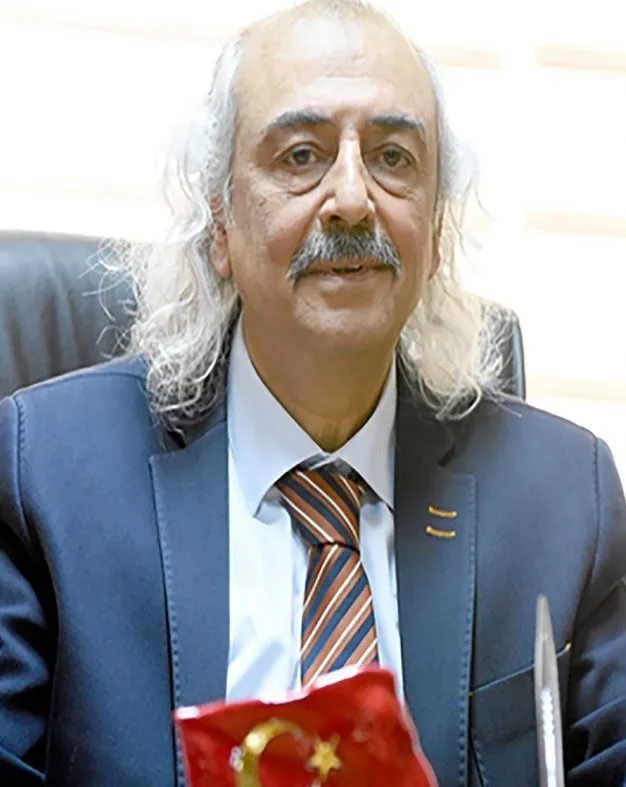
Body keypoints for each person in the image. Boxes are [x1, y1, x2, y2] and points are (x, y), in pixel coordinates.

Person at [0, 1, 624, 785]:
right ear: (219, 223)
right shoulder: (45, 477)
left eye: (394, 157)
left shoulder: (566, 500)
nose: (354, 199)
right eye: (301, 156)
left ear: (436, 232)